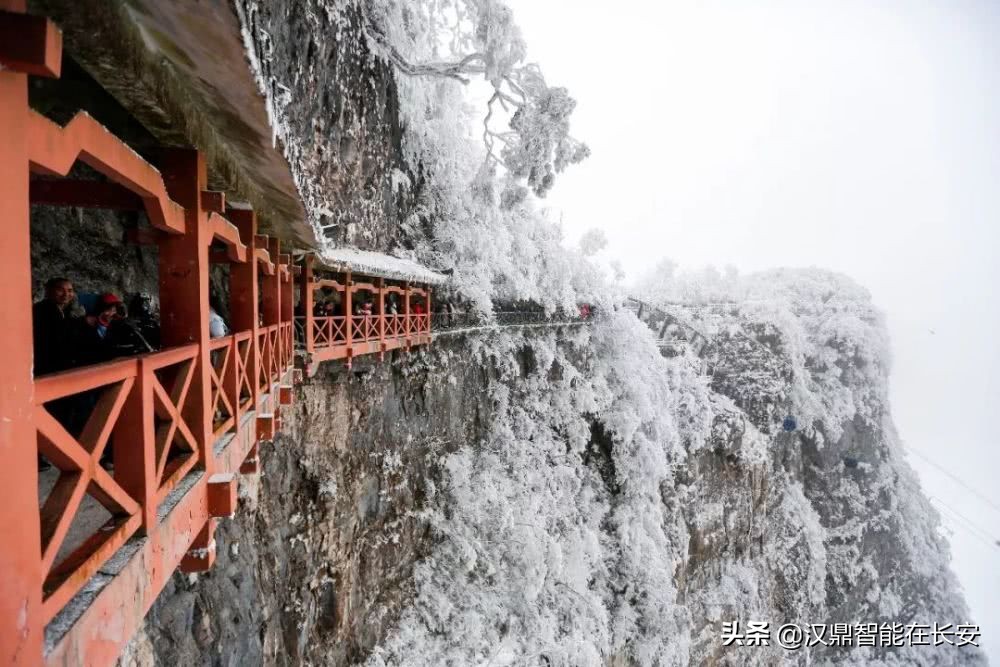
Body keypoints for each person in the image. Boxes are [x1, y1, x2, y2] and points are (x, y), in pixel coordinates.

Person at [33, 277, 78, 375]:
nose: (66, 294)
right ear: (49, 291)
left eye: (70, 291)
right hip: (47, 366)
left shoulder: (65, 311)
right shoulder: (40, 310)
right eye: (60, 290)